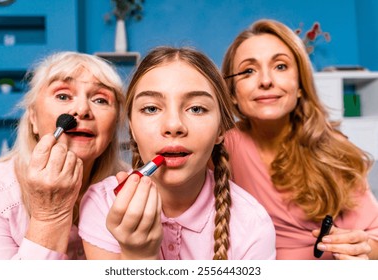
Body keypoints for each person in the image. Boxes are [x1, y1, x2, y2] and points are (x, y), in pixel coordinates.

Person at [78, 46, 276, 260]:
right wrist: (138, 256)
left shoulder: (253, 224)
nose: (173, 125)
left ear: (220, 129)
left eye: (196, 108)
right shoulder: (102, 203)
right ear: (132, 128)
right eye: (151, 108)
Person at [221, 19, 378, 260]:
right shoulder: (220, 149)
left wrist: (361, 248)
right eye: (248, 71)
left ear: (301, 85)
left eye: (281, 66)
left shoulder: (333, 149)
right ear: (232, 93)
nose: (265, 80)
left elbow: (374, 241)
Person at [0, 51, 127, 259]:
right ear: (32, 118)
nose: (81, 110)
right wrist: (49, 217)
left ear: (115, 125)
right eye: (63, 96)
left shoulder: (132, 186)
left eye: (100, 100)